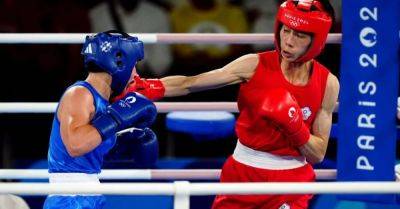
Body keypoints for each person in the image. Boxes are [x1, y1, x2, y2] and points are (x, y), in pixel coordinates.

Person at [116, 0, 340, 208]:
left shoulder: (327, 83)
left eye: (299, 35)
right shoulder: (253, 64)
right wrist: (146, 86)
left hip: (291, 182)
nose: (288, 41)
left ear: (316, 39)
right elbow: (190, 83)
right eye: (286, 30)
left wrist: (294, 125)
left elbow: (317, 154)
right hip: (243, 174)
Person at [43, 30, 158, 209]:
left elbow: (89, 148)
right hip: (70, 199)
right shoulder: (80, 94)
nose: (135, 74)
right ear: (119, 62)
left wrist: (120, 142)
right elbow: (75, 145)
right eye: (134, 65)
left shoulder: (101, 102)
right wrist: (117, 117)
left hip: (90, 194)